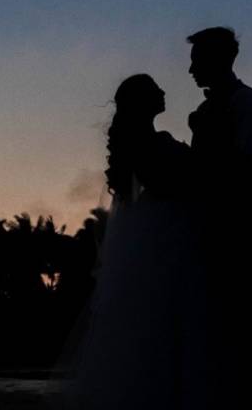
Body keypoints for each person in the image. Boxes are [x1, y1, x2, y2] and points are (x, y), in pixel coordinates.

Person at [58, 74, 209, 410]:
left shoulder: (144, 143)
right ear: (143, 101)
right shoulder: (148, 146)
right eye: (156, 89)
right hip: (163, 240)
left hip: (158, 236)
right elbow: (172, 186)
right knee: (159, 320)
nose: (164, 91)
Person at [187, 26, 252, 409]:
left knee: (238, 298)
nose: (190, 70)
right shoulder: (206, 108)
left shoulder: (247, 101)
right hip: (209, 211)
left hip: (241, 210)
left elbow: (244, 160)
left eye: (195, 60)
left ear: (217, 60)